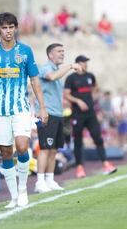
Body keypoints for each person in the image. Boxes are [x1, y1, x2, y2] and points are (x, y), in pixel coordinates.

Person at [0, 12, 48, 208]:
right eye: (4, 28)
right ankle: (13, 197)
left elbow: (34, 80)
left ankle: (23, 190)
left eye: (11, 27)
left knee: (21, 146)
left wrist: (42, 107)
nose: (8, 31)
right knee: (5, 151)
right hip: (0, 109)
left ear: (15, 28)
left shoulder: (25, 51)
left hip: (20, 108)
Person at [34, 43, 81, 193]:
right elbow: (52, 77)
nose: (62, 54)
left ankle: (50, 179)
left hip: (57, 114)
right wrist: (70, 66)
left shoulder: (57, 70)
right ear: (50, 55)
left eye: (63, 51)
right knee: (45, 149)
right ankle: (39, 182)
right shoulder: (46, 68)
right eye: (59, 51)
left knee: (54, 150)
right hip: (46, 114)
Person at [64, 55, 117, 178]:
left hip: (91, 113)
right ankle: (80, 168)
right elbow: (66, 95)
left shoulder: (90, 76)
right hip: (77, 114)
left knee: (98, 138)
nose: (85, 64)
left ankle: (106, 164)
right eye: (83, 62)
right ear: (77, 64)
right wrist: (78, 101)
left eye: (86, 62)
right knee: (78, 141)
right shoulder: (71, 78)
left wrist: (92, 98)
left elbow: (96, 88)